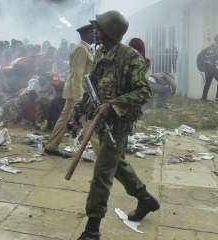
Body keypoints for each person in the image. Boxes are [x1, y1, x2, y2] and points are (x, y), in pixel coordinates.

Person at [77, 11, 159, 240]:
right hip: (102, 122)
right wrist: (77, 112)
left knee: (102, 173)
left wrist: (113, 105)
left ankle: (92, 229)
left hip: (119, 124)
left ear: (109, 31)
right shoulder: (102, 53)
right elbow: (92, 86)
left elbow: (144, 91)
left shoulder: (130, 57)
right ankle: (145, 199)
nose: (94, 30)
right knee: (117, 164)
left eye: (98, 27)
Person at [44, 24, 94, 157]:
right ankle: (101, 153)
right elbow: (77, 74)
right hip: (77, 91)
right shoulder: (81, 50)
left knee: (65, 119)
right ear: (87, 34)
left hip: (76, 90)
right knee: (88, 121)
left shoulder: (85, 49)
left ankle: (51, 146)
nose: (95, 35)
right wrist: (80, 95)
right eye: (93, 32)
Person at [197, 34, 218, 102]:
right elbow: (214, 57)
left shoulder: (211, 47)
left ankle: (204, 97)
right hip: (210, 67)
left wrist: (215, 61)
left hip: (207, 67)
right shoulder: (214, 47)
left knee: (208, 82)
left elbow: (212, 57)